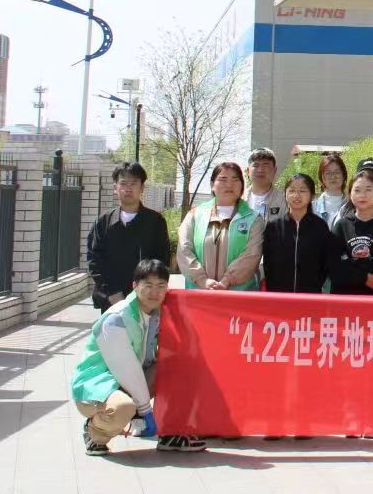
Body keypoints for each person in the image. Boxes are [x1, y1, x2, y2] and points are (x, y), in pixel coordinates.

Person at [70, 259, 205, 455]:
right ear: (134, 285)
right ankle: (94, 433)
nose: (154, 292)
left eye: (161, 286)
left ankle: (171, 432)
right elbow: (126, 368)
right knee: (123, 408)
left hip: (131, 380)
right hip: (97, 386)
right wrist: (145, 410)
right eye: (148, 285)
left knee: (179, 368)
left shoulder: (159, 312)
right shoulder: (116, 318)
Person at [85, 162, 170, 311]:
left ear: (142, 188)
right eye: (123, 183)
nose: (128, 188)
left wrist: (148, 290)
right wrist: (111, 292)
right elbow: (94, 260)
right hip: (111, 300)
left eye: (134, 183)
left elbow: (161, 259)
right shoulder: (103, 222)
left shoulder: (155, 221)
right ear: (115, 188)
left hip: (145, 299)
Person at [177, 162, 264, 290]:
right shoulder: (195, 215)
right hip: (199, 293)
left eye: (235, 179)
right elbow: (184, 250)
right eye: (223, 179)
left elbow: (252, 255)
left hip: (240, 294)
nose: (229, 184)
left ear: (242, 185)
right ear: (212, 185)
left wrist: (227, 280)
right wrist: (201, 279)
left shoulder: (254, 219)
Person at [262, 173, 340, 293]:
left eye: (302, 191)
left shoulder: (320, 227)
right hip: (279, 294)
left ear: (312, 196)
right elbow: (268, 262)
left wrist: (316, 282)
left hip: (310, 294)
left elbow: (325, 262)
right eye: (292, 190)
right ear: (285, 194)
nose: (296, 195)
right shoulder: (273, 227)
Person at [330, 168, 373, 295]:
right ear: (350, 193)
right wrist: (362, 277)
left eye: (368, 189)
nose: (362, 195)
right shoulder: (342, 225)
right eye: (357, 190)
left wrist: (351, 263)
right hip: (348, 296)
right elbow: (333, 264)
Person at [244, 147, 287, 221]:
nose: (260, 170)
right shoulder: (238, 199)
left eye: (266, 165)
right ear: (248, 171)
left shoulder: (286, 200)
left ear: (274, 170)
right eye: (256, 165)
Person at [312, 153, 349, 228]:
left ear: (344, 175)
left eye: (337, 172)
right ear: (322, 177)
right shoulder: (312, 208)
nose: (333, 177)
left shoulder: (351, 206)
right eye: (328, 173)